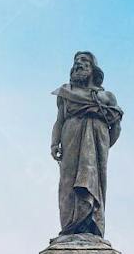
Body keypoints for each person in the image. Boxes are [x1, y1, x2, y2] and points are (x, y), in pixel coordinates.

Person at [50, 52, 123, 237]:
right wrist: (54, 143)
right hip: (70, 138)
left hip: (96, 143)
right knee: (68, 181)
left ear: (93, 68)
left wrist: (103, 146)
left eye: (83, 61)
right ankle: (70, 228)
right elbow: (59, 120)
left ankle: (91, 226)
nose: (78, 64)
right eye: (76, 61)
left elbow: (116, 126)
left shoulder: (106, 97)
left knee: (92, 178)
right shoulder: (66, 92)